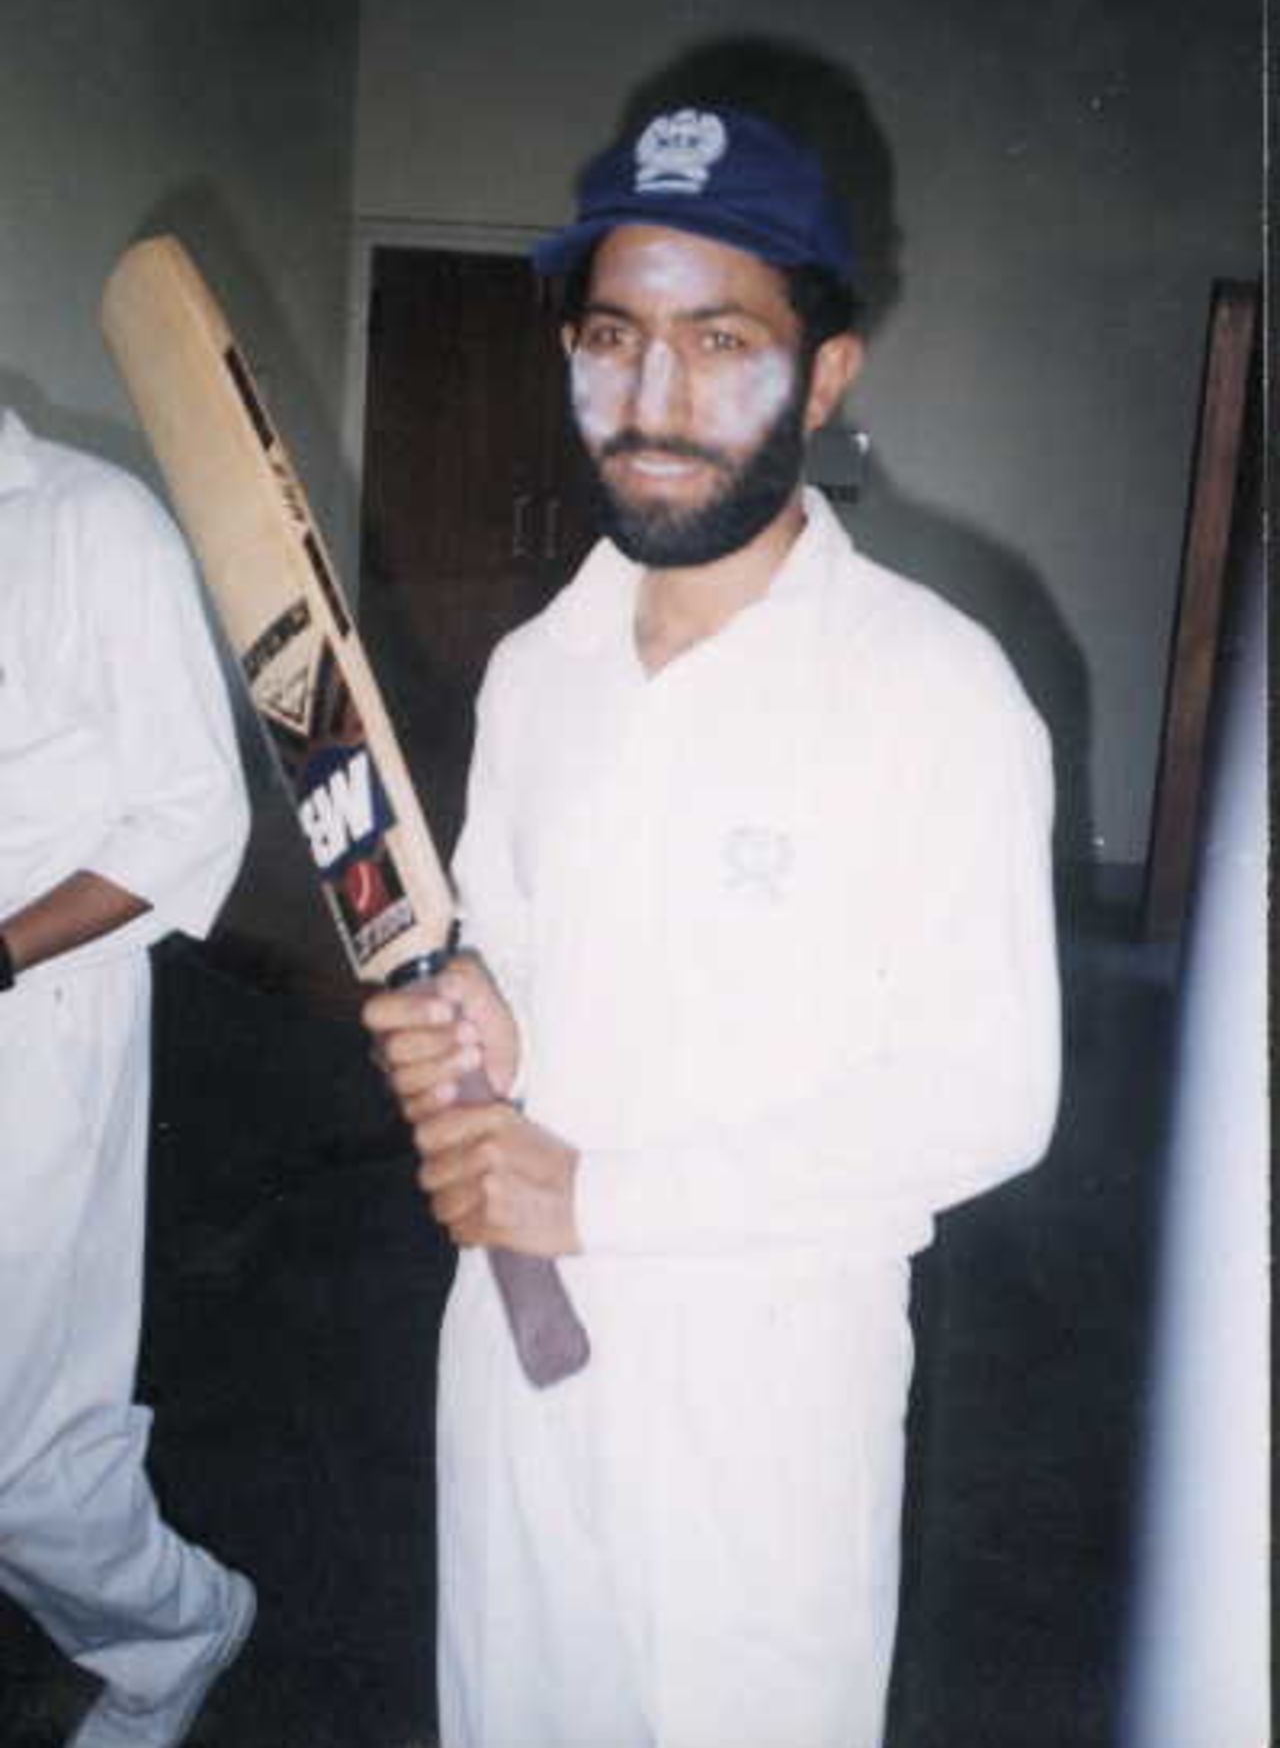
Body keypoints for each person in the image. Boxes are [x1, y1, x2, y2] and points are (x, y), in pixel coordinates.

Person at [364, 106, 1061, 1748]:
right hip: (522, 1367)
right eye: (612, 338)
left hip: (762, 1414)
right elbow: (518, 939)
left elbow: (985, 1097)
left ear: (824, 377)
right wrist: (485, 1005)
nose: (652, 400)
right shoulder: (542, 667)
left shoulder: (933, 690)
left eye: (719, 341)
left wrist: (602, 1192)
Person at [0, 408, 254, 1747]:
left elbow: (192, 810)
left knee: (21, 1443)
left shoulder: (93, 523)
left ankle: (172, 1628)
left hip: (37, 1015)